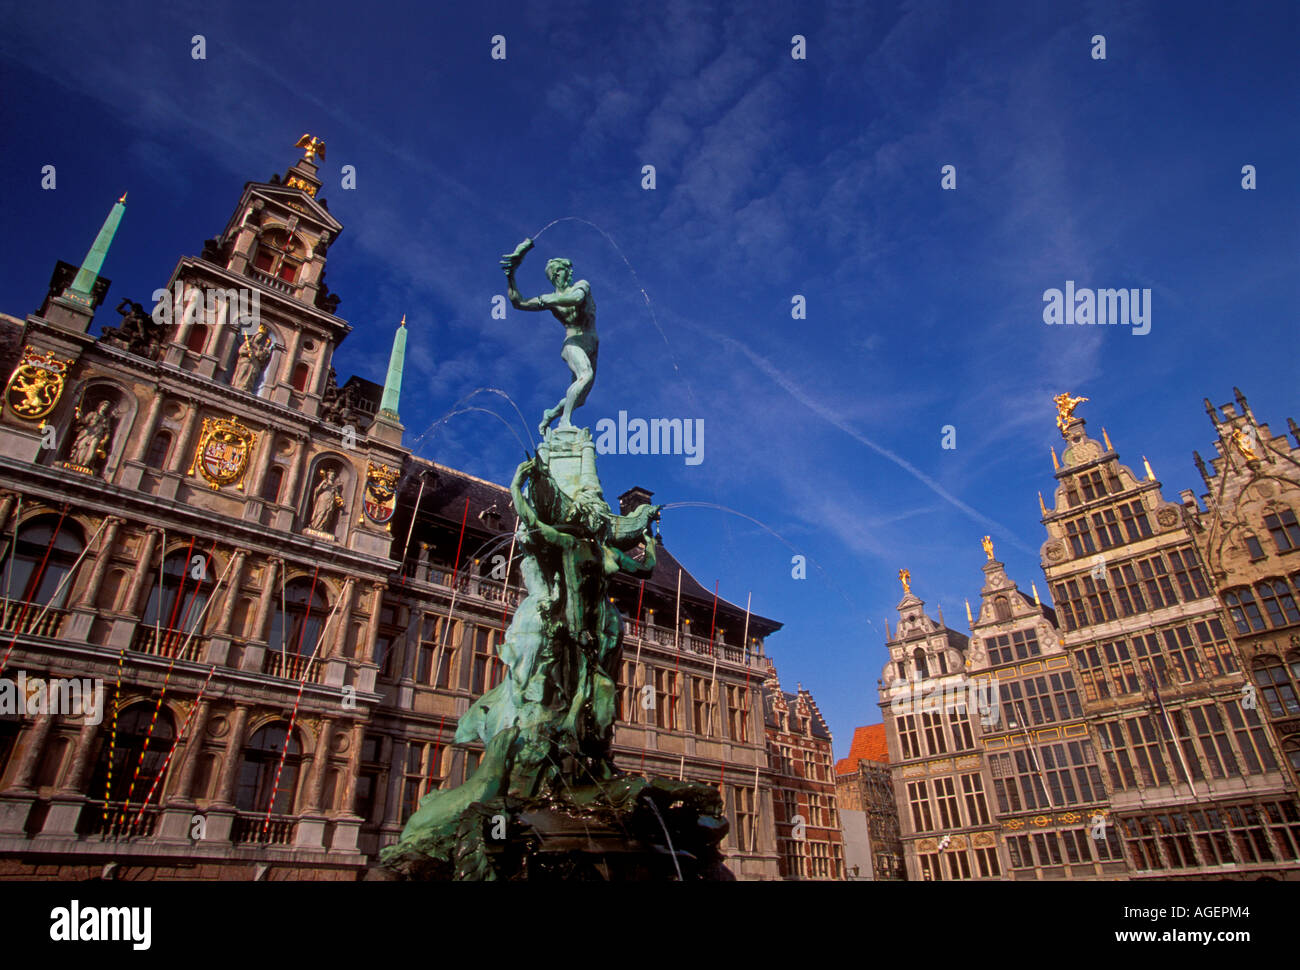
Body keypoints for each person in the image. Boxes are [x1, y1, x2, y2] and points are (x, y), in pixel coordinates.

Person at [501, 239, 598, 436]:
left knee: (580, 398)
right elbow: (518, 303)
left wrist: (548, 300)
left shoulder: (580, 285)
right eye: (565, 270)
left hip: (592, 343)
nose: (571, 273)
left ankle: (550, 415)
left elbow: (577, 299)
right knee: (585, 375)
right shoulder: (551, 300)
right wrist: (511, 275)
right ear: (556, 274)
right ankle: (564, 422)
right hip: (572, 343)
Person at [68, 401, 114, 468]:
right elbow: (84, 421)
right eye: (104, 406)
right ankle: (76, 462)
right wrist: (79, 417)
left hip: (97, 435)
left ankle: (85, 464)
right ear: (100, 406)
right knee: (81, 447)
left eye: (106, 407)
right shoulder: (92, 414)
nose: (104, 408)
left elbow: (107, 431)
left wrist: (104, 439)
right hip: (87, 433)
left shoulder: (105, 419)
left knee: (92, 449)